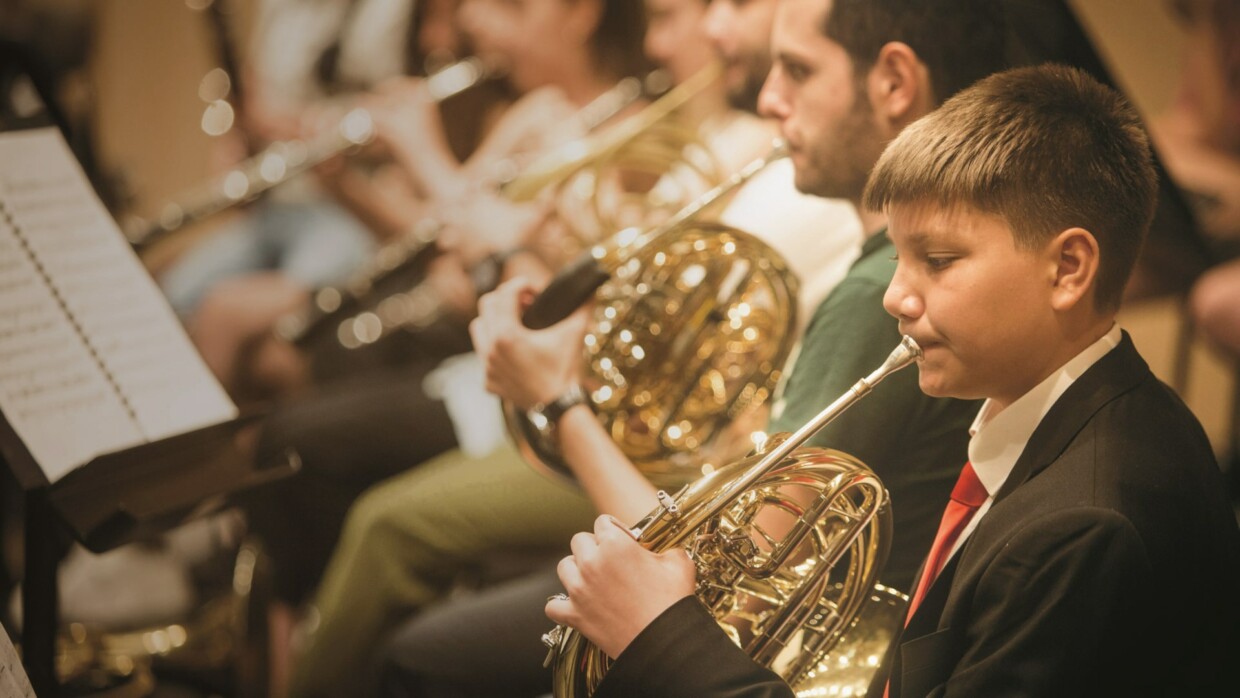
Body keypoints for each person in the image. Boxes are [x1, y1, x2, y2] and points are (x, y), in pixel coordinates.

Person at [549, 64, 1240, 697]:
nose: (895, 297)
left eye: (937, 259)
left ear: (1067, 270)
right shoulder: (1075, 412)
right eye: (898, 257)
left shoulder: (1082, 531)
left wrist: (664, 638)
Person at [291, 0, 867, 695]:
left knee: (389, 537)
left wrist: (521, 262)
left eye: (729, 7)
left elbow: (649, 349)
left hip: (647, 459)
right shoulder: (738, 152)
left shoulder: (784, 174)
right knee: (309, 439)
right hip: (599, 423)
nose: (702, 34)